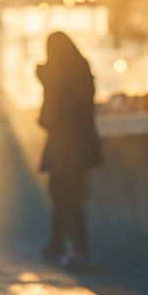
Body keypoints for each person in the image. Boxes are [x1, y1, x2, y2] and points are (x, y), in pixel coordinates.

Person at [36, 32, 102, 267]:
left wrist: (44, 77)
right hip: (78, 146)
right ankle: (61, 243)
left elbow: (50, 114)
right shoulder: (80, 68)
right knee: (66, 195)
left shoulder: (59, 74)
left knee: (65, 196)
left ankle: (75, 245)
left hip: (65, 146)